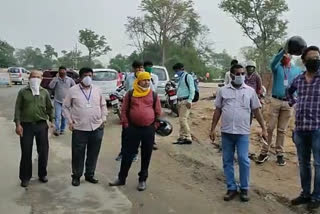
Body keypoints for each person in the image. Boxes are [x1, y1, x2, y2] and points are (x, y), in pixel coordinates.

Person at [210, 64, 267, 202]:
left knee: (243, 159)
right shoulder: (222, 91)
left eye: (243, 73)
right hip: (227, 132)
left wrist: (263, 128)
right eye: (238, 73)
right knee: (227, 161)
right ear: (231, 75)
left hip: (242, 132)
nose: (241, 76)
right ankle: (231, 188)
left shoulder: (250, 91)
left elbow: (256, 111)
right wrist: (212, 129)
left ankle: (244, 188)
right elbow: (217, 110)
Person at [109, 72, 162, 191]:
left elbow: (158, 111)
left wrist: (155, 125)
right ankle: (121, 178)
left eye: (149, 80)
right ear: (138, 81)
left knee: (146, 154)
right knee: (127, 154)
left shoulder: (153, 95)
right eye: (144, 80)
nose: (147, 82)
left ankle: (142, 180)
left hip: (148, 129)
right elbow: (124, 110)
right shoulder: (131, 93)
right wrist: (126, 124)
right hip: (133, 128)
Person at [287, 46, 320, 210]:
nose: (315, 61)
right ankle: (305, 194)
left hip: (318, 129)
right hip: (300, 128)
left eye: (318, 58)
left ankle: (317, 196)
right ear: (304, 60)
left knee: (319, 164)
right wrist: (294, 102)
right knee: (304, 163)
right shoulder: (298, 79)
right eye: (312, 58)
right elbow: (289, 92)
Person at [256, 48, 301, 166]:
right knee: (270, 127)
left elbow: (300, 84)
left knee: (282, 130)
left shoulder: (297, 70)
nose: (285, 56)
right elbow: (272, 62)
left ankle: (280, 154)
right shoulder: (277, 68)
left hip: (288, 103)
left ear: (291, 56)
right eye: (284, 54)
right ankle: (264, 152)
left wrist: (296, 98)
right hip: (276, 100)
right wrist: (282, 52)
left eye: (287, 54)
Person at [63, 67, 107, 187]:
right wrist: (70, 121)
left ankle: (90, 174)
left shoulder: (97, 90)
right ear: (80, 77)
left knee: (93, 153)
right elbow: (65, 107)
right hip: (79, 128)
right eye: (86, 76)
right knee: (78, 154)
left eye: (90, 76)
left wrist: (103, 119)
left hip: (96, 128)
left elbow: (103, 105)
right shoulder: (73, 91)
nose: (88, 78)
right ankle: (76, 176)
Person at [14, 71, 54, 187]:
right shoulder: (23, 92)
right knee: (26, 151)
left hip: (41, 125)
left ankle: (42, 174)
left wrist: (52, 120)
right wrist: (18, 124)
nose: (35, 79)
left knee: (43, 151)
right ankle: (25, 177)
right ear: (29, 78)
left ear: (41, 78)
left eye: (38, 77)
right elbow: (18, 109)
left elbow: (49, 108)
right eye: (33, 77)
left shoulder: (44, 92)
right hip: (26, 125)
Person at [116, 61, 145, 162]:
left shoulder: (147, 78)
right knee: (125, 132)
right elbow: (127, 91)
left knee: (137, 134)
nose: (139, 70)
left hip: (141, 110)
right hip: (129, 108)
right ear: (133, 69)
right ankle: (123, 152)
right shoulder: (129, 78)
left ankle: (134, 153)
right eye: (137, 68)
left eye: (141, 68)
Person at [49, 66, 75, 136]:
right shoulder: (56, 79)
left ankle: (62, 129)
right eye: (61, 71)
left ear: (66, 71)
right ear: (59, 72)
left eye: (64, 71)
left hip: (66, 102)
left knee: (64, 117)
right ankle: (57, 130)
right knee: (57, 116)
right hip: (57, 101)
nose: (62, 72)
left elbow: (75, 88)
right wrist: (56, 79)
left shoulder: (70, 80)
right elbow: (51, 87)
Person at [173, 63, 195, 145]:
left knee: (183, 119)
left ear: (181, 69)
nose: (176, 72)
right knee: (181, 119)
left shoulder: (188, 77)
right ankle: (181, 136)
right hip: (180, 100)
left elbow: (192, 89)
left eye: (177, 70)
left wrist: (190, 100)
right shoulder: (180, 78)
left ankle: (188, 136)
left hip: (185, 101)